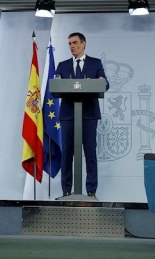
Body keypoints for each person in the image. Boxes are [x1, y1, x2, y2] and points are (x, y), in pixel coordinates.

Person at [54, 32, 109, 199]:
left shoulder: (95, 63)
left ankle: (91, 191)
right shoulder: (62, 65)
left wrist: (101, 81)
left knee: (90, 152)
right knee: (67, 154)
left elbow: (105, 84)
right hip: (68, 115)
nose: (72, 46)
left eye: (75, 43)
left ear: (84, 44)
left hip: (89, 114)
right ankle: (66, 191)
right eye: (69, 43)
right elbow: (56, 88)